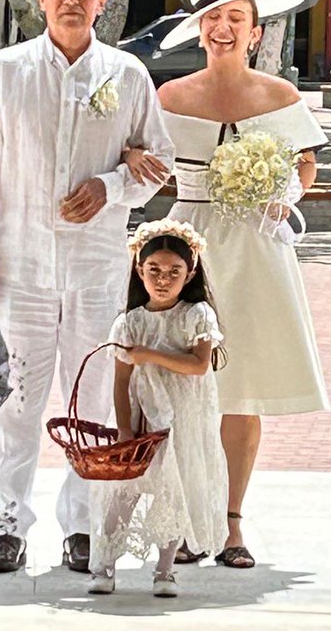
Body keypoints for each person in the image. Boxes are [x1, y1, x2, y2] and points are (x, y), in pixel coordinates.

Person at [0, 0, 175, 575]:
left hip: (94, 266)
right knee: (16, 399)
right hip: (19, 262)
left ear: (102, 2)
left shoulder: (128, 75)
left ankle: (82, 527)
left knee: (92, 400)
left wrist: (110, 187)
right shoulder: (7, 69)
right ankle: (6, 525)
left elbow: (156, 162)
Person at [124, 0, 329, 569]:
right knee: (188, 388)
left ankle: (232, 526)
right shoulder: (168, 96)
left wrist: (283, 194)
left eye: (235, 19)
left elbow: (304, 165)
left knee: (242, 390)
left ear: (254, 31)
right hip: (190, 246)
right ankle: (193, 522)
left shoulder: (281, 96)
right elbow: (146, 163)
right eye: (212, 20)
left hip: (258, 250)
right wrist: (134, 159)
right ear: (198, 30)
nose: (223, 28)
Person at [88, 220, 228, 598]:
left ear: (190, 273)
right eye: (154, 271)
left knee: (172, 489)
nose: (163, 280)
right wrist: (124, 429)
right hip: (141, 416)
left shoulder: (197, 316)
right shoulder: (129, 323)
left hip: (180, 418)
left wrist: (150, 355)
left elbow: (198, 365)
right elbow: (120, 381)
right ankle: (104, 563)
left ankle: (165, 569)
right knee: (125, 492)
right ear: (139, 270)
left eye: (173, 272)